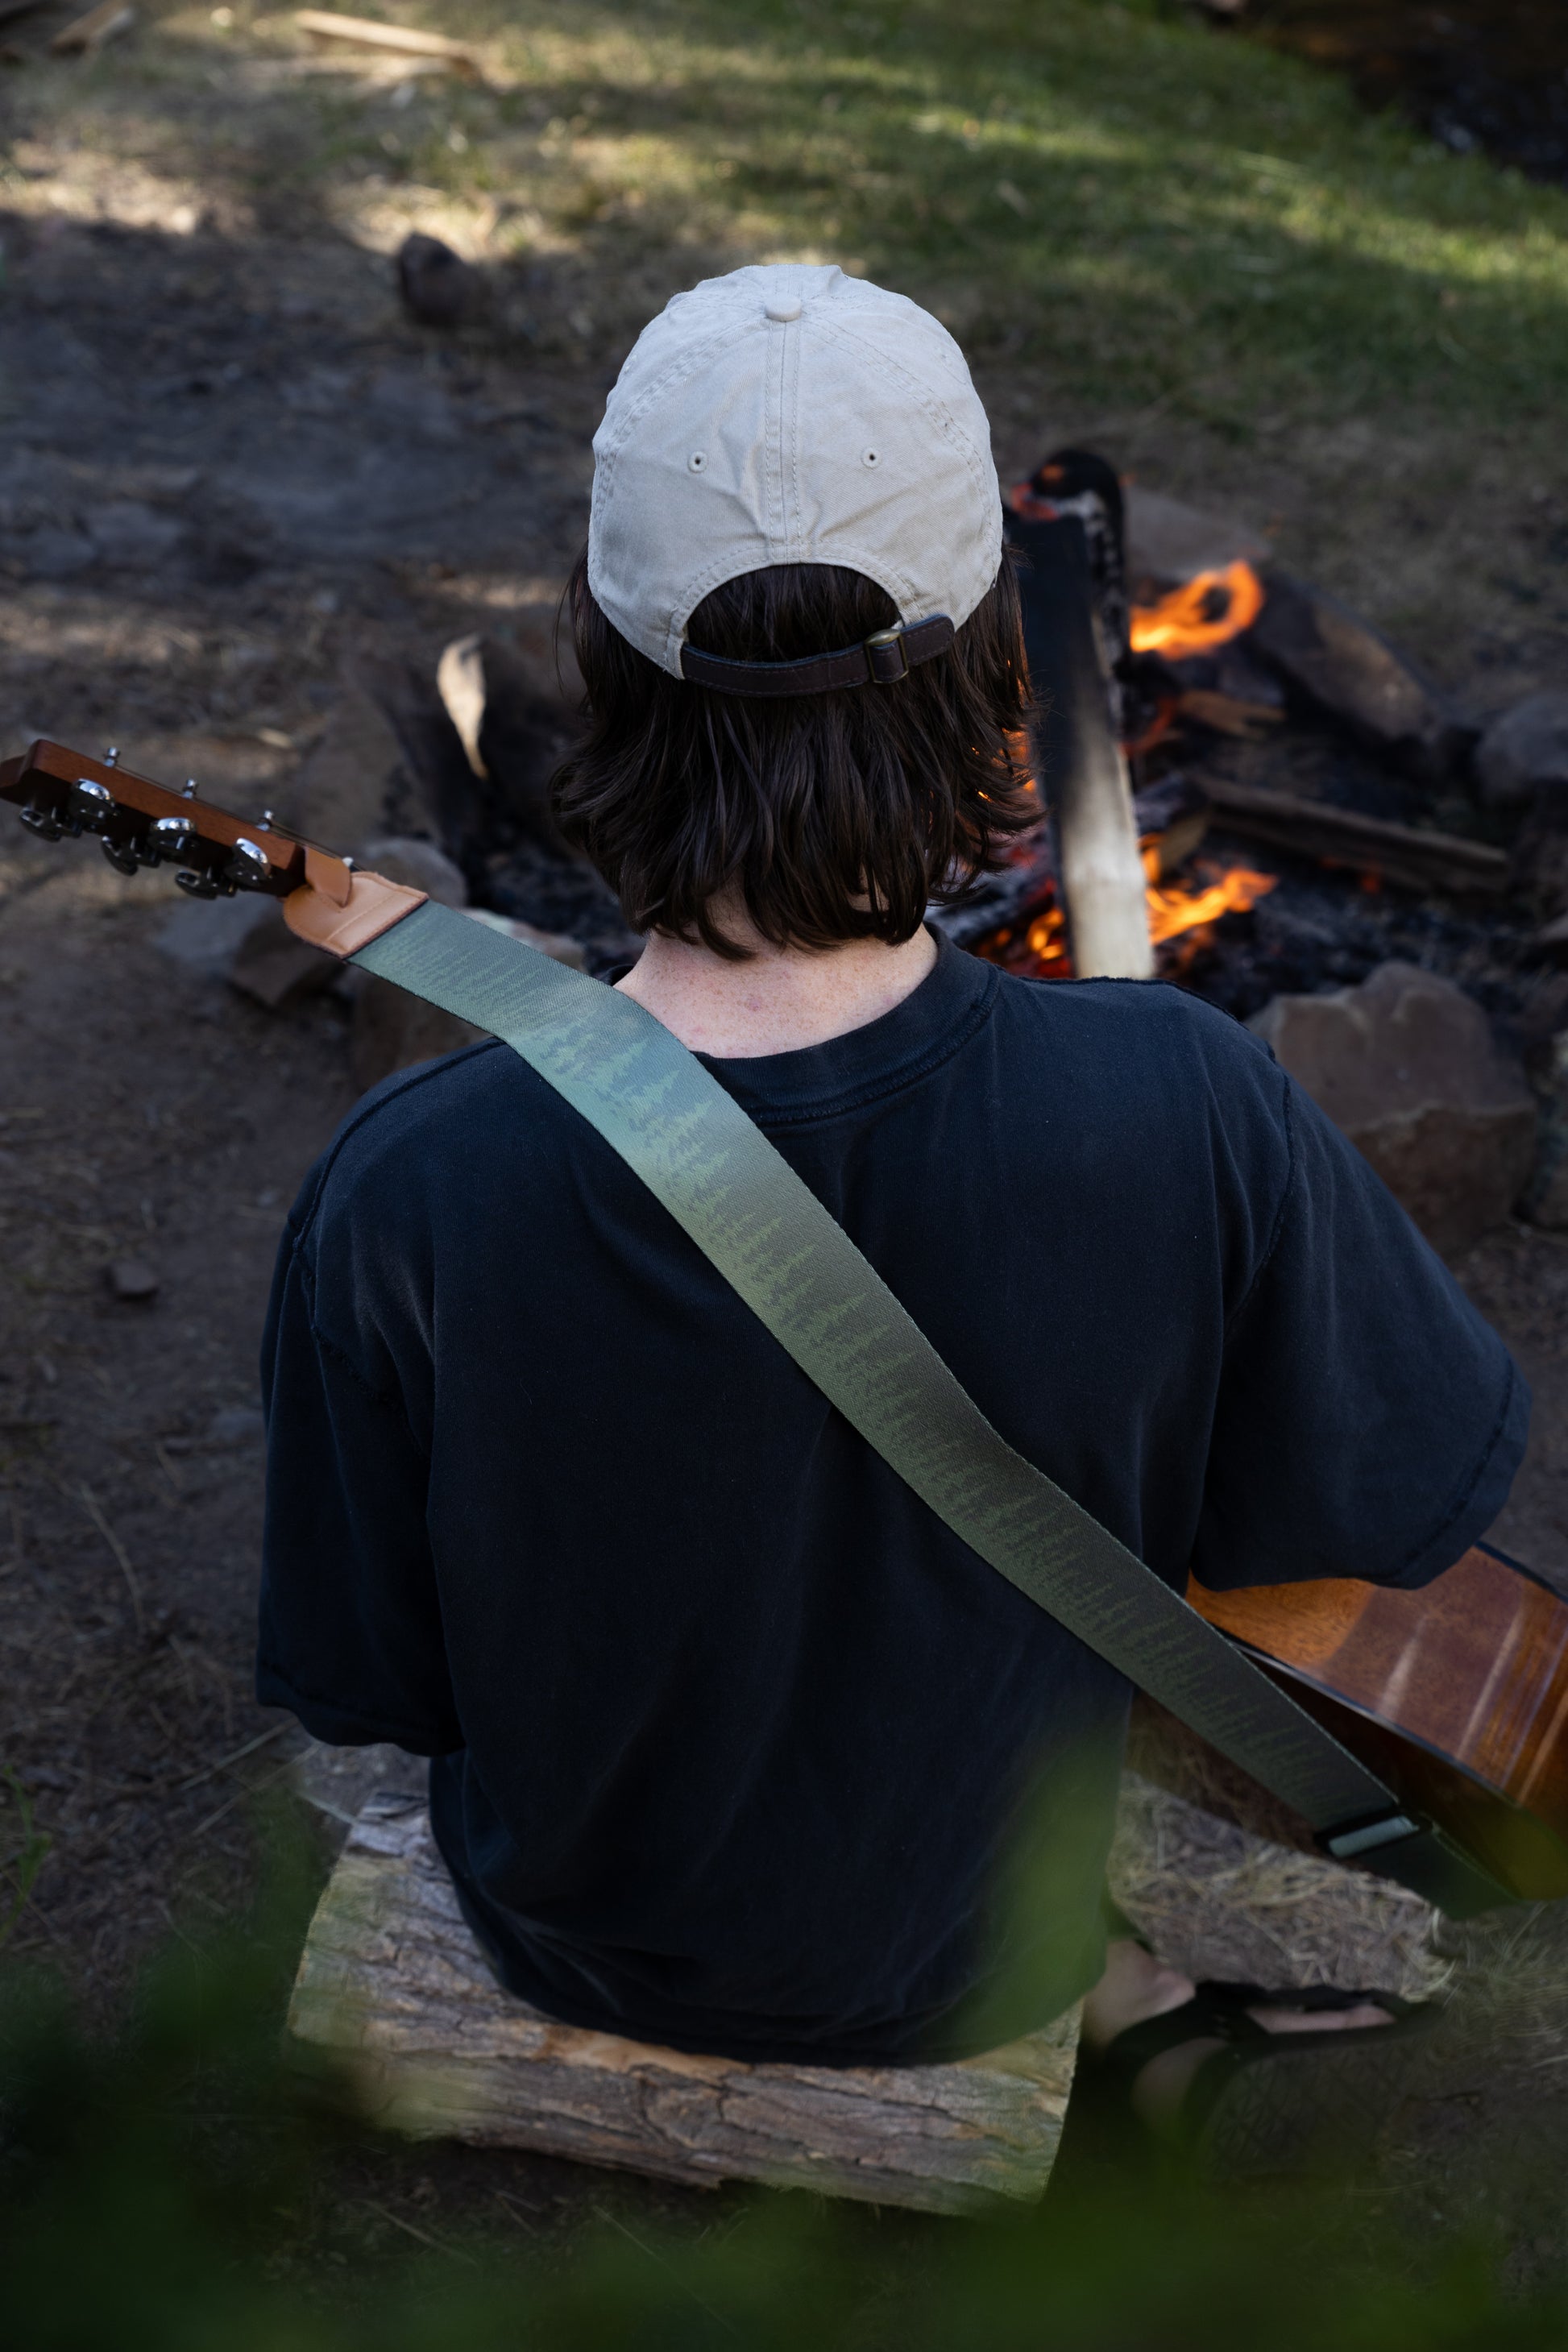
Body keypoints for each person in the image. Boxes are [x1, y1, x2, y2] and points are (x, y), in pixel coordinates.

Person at [256, 263, 1527, 2157]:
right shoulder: (1185, 1099)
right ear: (989, 675)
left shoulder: (413, 1177)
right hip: (976, 1953)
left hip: (575, 1935)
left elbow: (374, 1679)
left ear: (605, 657)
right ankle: (1134, 1997)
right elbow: (1373, 1514)